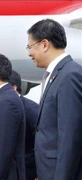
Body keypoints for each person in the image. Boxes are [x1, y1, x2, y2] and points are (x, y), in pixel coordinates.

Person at [27, 19, 82, 179]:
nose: (29, 53)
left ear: (44, 44)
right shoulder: (56, 75)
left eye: (30, 47)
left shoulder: (70, 75)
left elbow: (70, 135)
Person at [9, 70, 39, 180]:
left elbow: (41, 143)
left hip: (28, 170)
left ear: (14, 88)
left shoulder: (31, 110)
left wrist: (38, 173)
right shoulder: (0, 107)